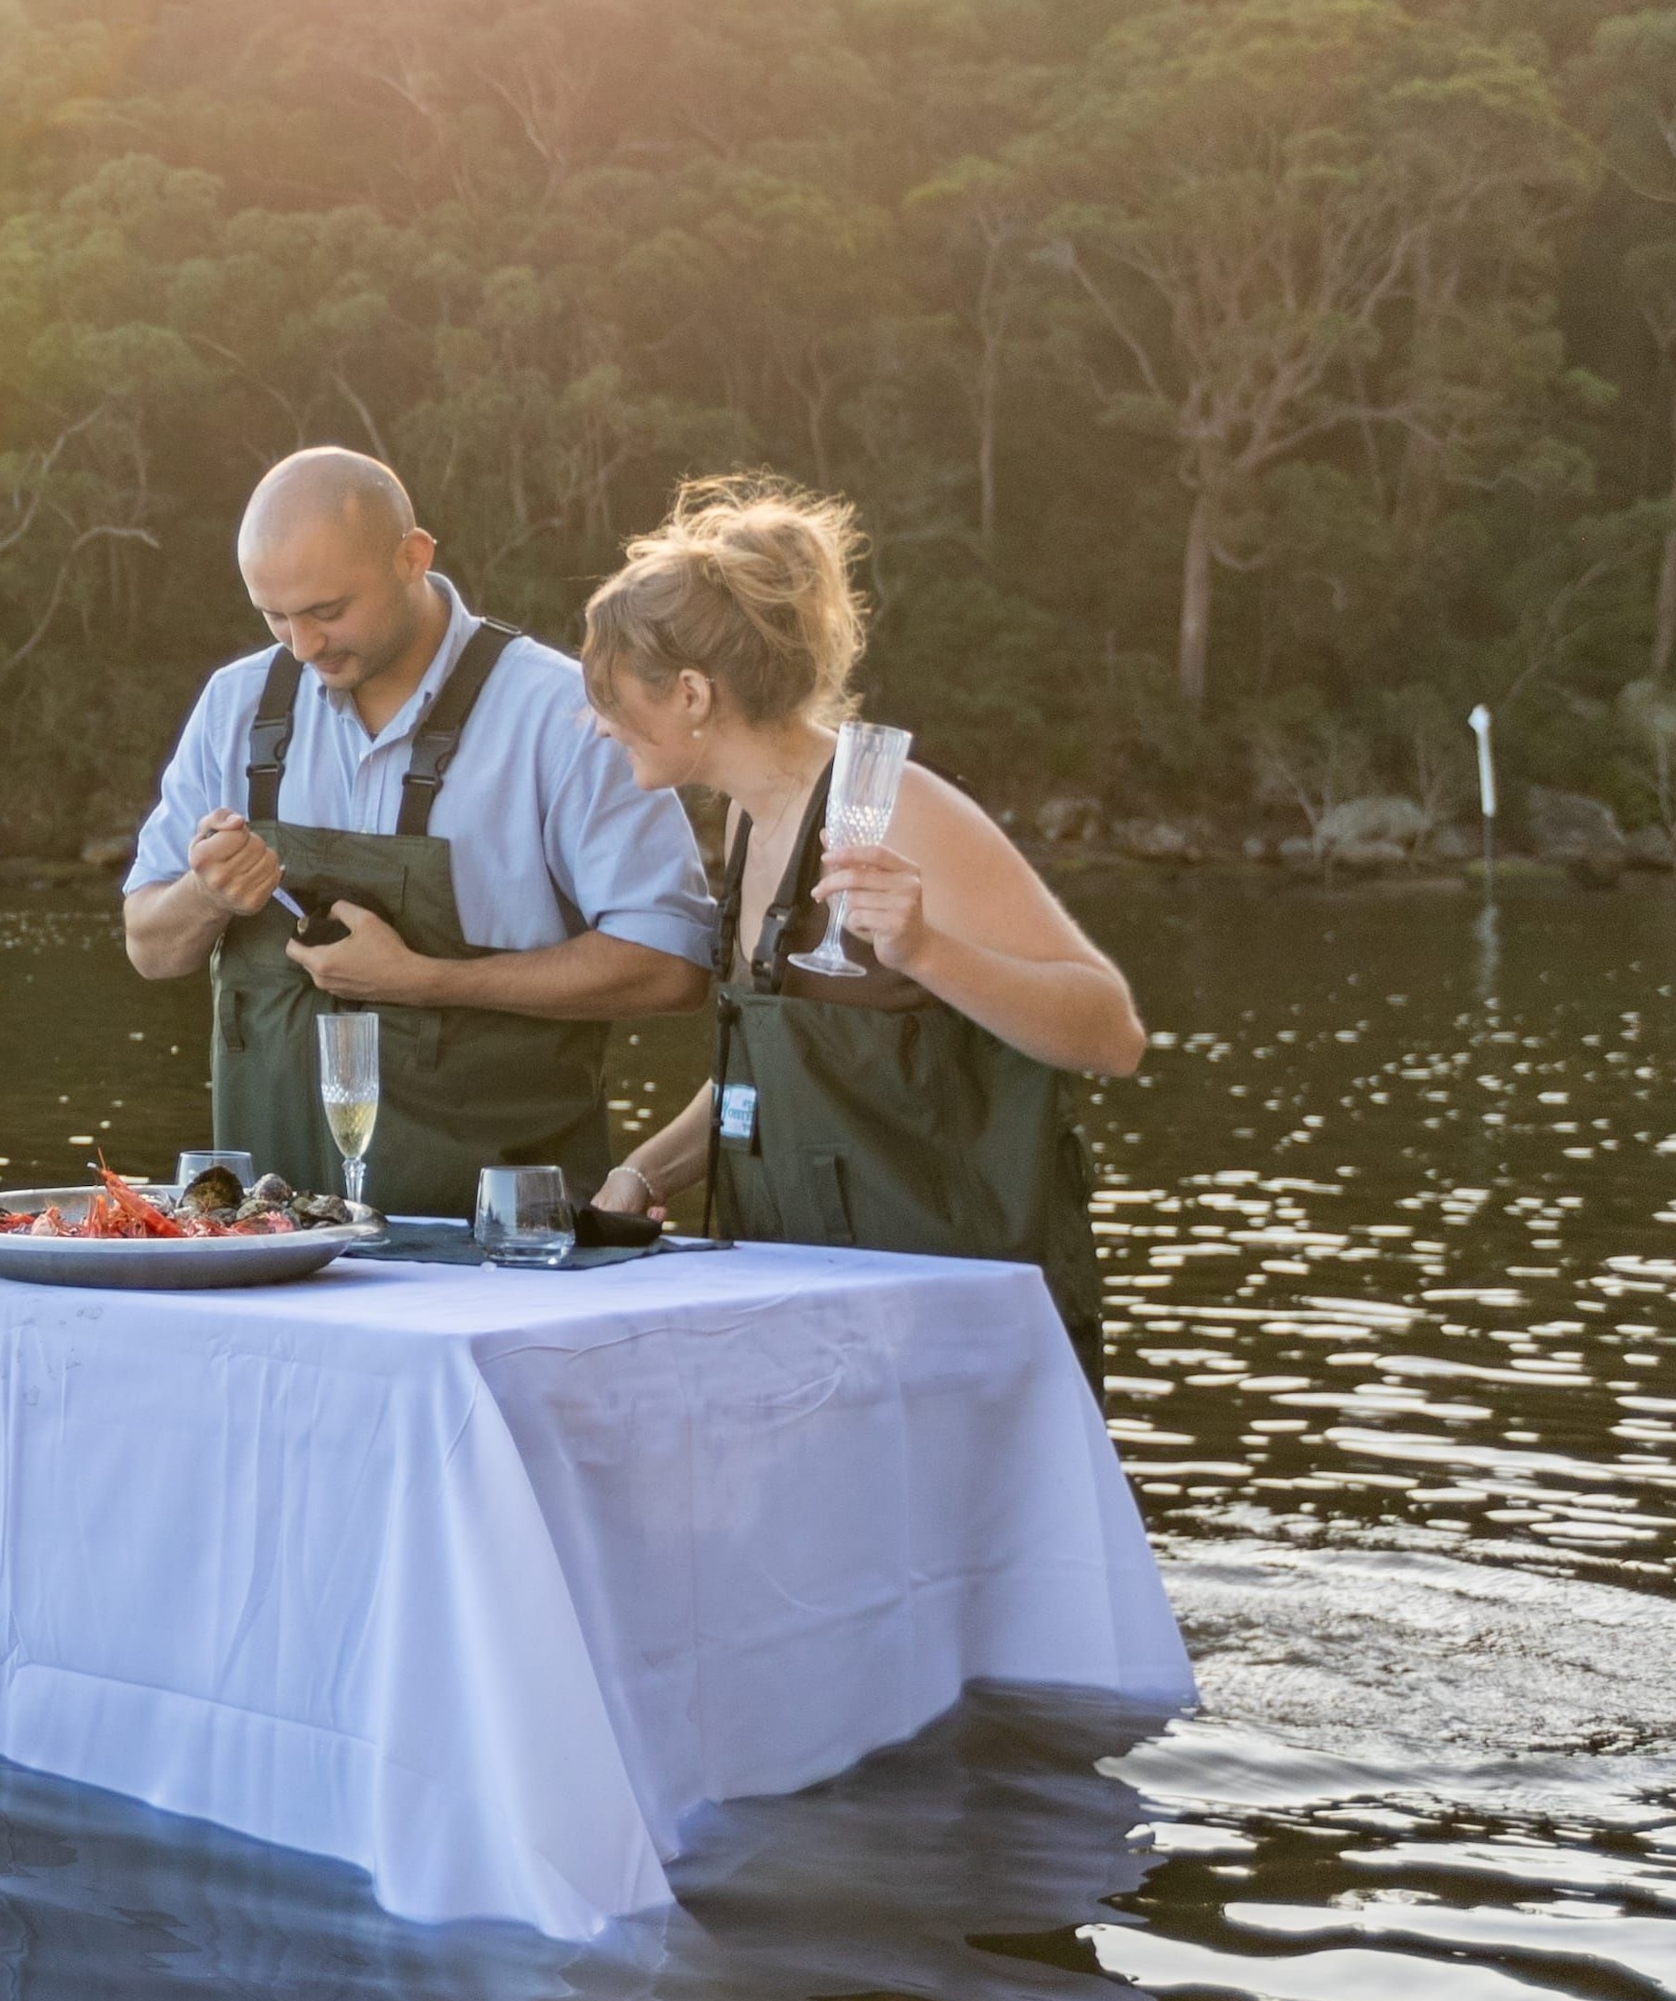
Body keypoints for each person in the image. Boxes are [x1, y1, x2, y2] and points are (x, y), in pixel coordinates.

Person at [575, 477, 1146, 1370]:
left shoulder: (899, 807)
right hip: (808, 1321)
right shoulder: (746, 817)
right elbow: (771, 1070)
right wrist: (642, 1173)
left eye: (610, 697)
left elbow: (1110, 1032)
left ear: (690, 693)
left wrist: (926, 950)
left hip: (950, 1337)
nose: (597, 725)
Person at [120, 447, 715, 1213]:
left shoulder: (562, 716)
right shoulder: (234, 708)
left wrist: (431, 981)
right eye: (275, 616)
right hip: (266, 1251)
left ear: (412, 557)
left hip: (503, 1248)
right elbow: (148, 946)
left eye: (329, 611)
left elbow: (673, 965)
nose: (302, 646)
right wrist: (206, 894)